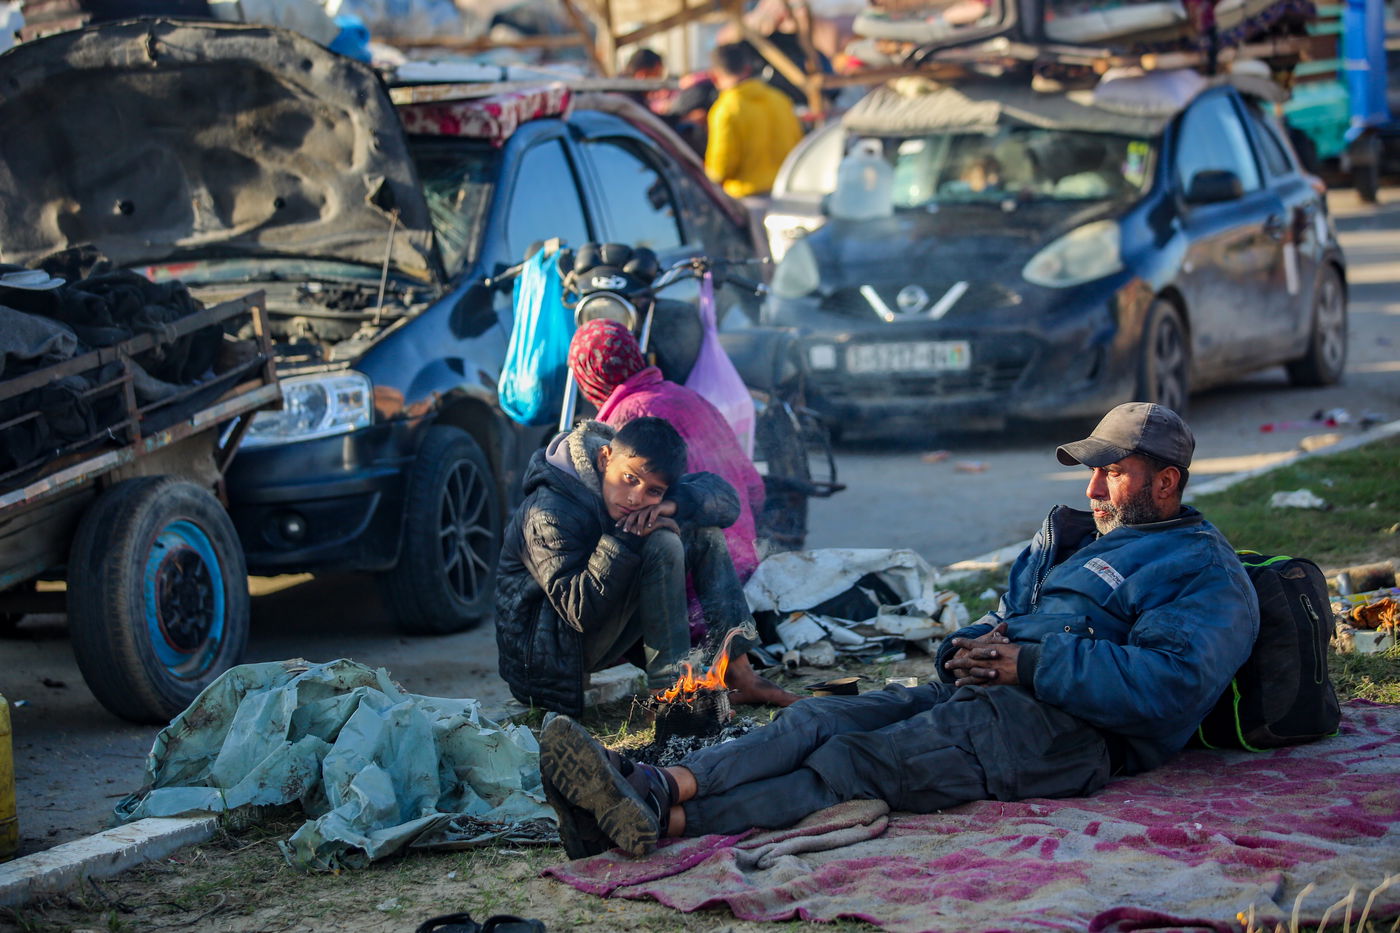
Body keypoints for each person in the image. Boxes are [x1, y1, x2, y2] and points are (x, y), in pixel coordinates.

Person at [538, 402, 1261, 859]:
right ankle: (654, 784)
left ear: (1167, 483)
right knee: (819, 715)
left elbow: (1170, 685)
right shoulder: (1083, 539)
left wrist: (1030, 664)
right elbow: (1014, 623)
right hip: (983, 697)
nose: (1091, 489)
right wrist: (967, 647)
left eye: (1113, 474)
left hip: (1062, 737)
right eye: (1091, 472)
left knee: (853, 761)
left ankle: (658, 825)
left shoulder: (1203, 572)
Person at [494, 416, 796, 719]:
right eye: (629, 479)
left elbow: (725, 500)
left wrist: (672, 506)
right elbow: (577, 611)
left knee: (704, 534)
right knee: (661, 542)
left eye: (653, 491)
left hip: (596, 631)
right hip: (549, 657)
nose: (636, 498)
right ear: (604, 458)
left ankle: (740, 674)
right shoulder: (549, 510)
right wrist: (625, 537)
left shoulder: (642, 488)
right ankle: (670, 695)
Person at [567, 319, 766, 582]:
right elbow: (754, 488)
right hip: (744, 563)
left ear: (588, 376)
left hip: (693, 577)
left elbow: (624, 516)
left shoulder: (628, 419)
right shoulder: (686, 395)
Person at [704, 43, 803, 199]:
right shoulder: (780, 99)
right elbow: (799, 145)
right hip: (787, 192)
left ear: (714, 76)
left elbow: (720, 168)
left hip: (748, 199)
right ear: (748, 69)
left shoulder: (726, 109)